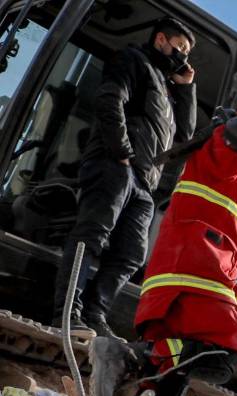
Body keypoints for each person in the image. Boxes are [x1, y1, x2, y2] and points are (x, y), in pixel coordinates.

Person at [90, 98, 237, 396]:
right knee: (224, 356)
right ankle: (127, 357)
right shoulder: (227, 162)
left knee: (167, 394)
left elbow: (229, 271)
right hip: (190, 279)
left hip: (193, 282)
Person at [52, 16, 197, 339]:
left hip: (145, 183)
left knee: (131, 254)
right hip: (116, 166)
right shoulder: (133, 60)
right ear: (161, 40)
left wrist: (186, 89)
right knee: (92, 236)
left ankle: (94, 314)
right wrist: (121, 151)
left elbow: (184, 136)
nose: (183, 57)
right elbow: (110, 100)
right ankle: (67, 313)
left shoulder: (168, 89)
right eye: (180, 48)